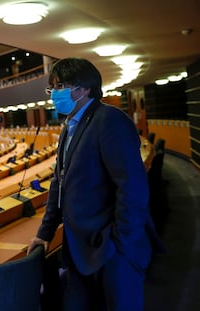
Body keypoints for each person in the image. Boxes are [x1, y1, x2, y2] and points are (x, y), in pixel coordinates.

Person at [27, 58, 165, 311]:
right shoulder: (69, 127)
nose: (55, 94)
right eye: (53, 88)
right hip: (79, 248)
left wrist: (122, 243)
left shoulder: (109, 120)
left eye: (61, 86)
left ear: (84, 88)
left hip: (109, 248)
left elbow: (132, 186)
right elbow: (60, 182)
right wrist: (45, 232)